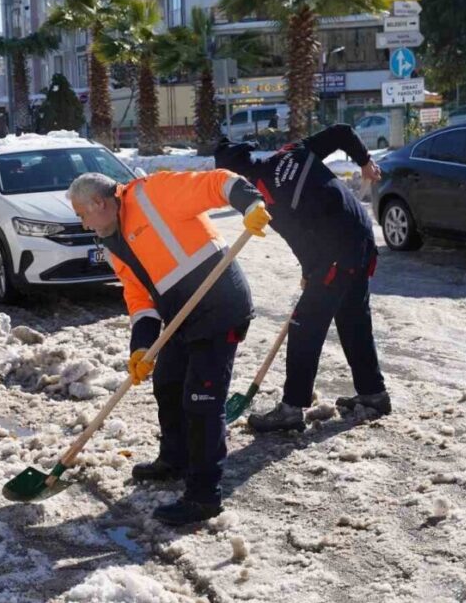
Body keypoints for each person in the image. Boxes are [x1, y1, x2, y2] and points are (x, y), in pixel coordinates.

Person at [66, 170, 271, 526]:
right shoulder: (111, 243)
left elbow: (218, 182)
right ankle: (176, 459)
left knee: (202, 403)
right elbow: (139, 298)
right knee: (168, 383)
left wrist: (250, 203)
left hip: (219, 307)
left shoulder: (153, 194)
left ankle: (204, 497)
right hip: (181, 317)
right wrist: (141, 347)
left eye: (82, 214)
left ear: (99, 203)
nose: (83, 224)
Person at [214, 124, 389, 432]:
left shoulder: (264, 196)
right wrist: (364, 161)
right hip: (360, 237)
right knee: (353, 319)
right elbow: (341, 132)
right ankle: (373, 394)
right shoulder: (291, 152)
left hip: (338, 251)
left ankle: (292, 409)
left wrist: (312, 272)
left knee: (304, 326)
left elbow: (301, 239)